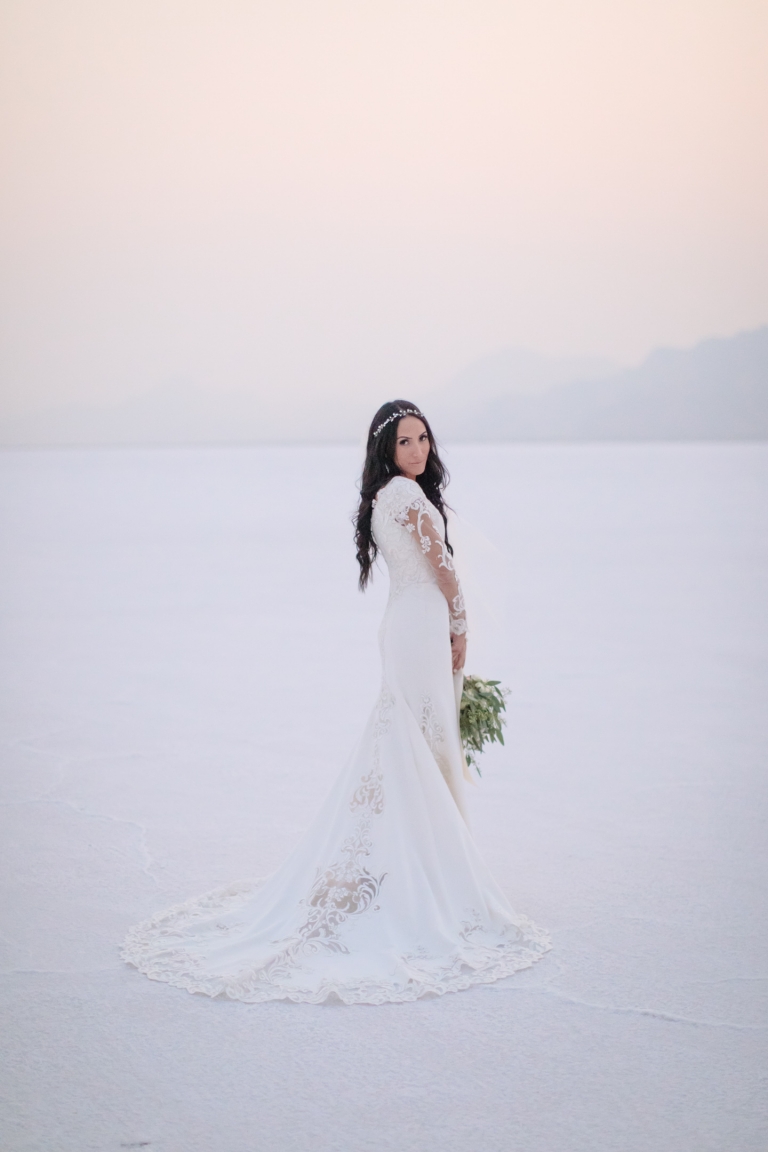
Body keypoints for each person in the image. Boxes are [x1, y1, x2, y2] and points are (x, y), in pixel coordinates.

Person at [122, 401, 550, 1003]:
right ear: (385, 450)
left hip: (405, 623)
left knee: (409, 742)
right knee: (418, 745)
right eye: (405, 442)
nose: (419, 451)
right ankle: (430, 879)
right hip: (422, 625)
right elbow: (444, 569)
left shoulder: (382, 500)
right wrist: (461, 627)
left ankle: (416, 866)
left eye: (424, 438)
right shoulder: (403, 496)